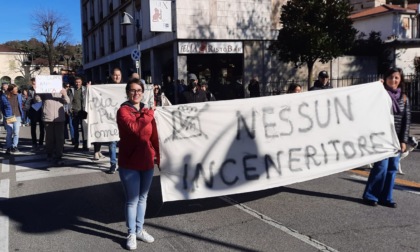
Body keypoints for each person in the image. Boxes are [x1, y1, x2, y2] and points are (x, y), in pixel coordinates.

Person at [116, 78, 159, 250]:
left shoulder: (147, 111)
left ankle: (140, 229)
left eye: (139, 91)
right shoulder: (123, 111)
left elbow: (153, 135)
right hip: (129, 162)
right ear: (127, 92)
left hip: (147, 160)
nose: (136, 93)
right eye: (133, 90)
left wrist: (159, 157)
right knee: (132, 200)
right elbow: (135, 129)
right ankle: (131, 233)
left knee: (143, 198)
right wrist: (149, 114)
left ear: (142, 92)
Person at [362, 67, 411, 208]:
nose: (393, 80)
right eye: (391, 77)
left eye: (396, 77)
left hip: (396, 139)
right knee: (381, 167)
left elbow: (406, 120)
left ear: (400, 80)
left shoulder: (404, 98)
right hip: (381, 138)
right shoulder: (380, 94)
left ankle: (386, 197)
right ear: (386, 78)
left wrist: (404, 140)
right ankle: (370, 195)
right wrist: (376, 87)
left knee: (392, 168)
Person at [93, 67, 121, 173]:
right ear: (111, 76)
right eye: (115, 75)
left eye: (119, 75)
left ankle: (123, 163)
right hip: (111, 120)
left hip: (123, 118)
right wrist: (90, 88)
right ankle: (113, 164)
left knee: (123, 143)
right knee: (112, 142)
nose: (117, 77)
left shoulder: (125, 87)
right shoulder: (106, 87)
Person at [40, 86, 70, 165]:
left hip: (59, 118)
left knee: (59, 138)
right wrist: (37, 91)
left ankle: (59, 155)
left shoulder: (61, 90)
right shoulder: (44, 90)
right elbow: (37, 100)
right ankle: (49, 153)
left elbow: (67, 101)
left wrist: (64, 94)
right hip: (48, 118)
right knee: (49, 138)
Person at [0, 84, 24, 154]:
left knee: (16, 132)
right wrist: (5, 115)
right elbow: (2, 107)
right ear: (11, 90)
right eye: (15, 89)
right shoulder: (4, 96)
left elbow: (21, 103)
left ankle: (14, 146)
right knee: (9, 132)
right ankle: (8, 147)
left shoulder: (18, 95)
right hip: (9, 116)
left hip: (17, 116)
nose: (17, 90)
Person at [68, 77, 88, 151]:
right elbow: (69, 101)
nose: (78, 84)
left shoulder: (85, 89)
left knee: (84, 129)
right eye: (76, 82)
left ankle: (85, 145)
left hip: (83, 112)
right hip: (75, 111)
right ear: (74, 82)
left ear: (81, 82)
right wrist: (70, 109)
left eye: (79, 82)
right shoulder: (71, 90)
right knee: (75, 129)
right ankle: (76, 144)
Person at [26, 78, 45, 151]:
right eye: (33, 83)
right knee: (33, 128)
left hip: (41, 110)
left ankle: (41, 144)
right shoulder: (30, 90)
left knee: (42, 128)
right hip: (33, 110)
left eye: (35, 83)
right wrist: (27, 110)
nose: (34, 84)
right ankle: (34, 144)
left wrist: (37, 90)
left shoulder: (42, 89)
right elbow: (29, 100)